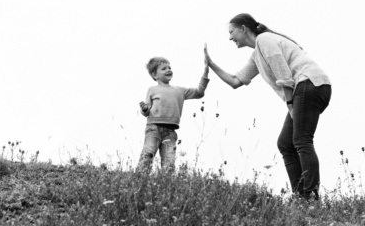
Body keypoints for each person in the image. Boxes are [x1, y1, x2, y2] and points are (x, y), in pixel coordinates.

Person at [204, 13, 331, 200]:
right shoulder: (257, 54)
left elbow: (284, 75)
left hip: (310, 84)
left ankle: (311, 195)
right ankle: (301, 197)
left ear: (244, 29)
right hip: (307, 89)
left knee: (302, 140)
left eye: (232, 32)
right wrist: (211, 64)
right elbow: (235, 80)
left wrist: (290, 105)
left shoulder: (265, 40)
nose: (230, 37)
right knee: (286, 143)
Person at [137, 55, 209, 173]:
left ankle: (165, 184)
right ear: (155, 75)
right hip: (153, 128)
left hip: (170, 132)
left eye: (169, 67)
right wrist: (144, 109)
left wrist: (205, 74)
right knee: (148, 154)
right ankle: (139, 178)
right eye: (164, 68)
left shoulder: (180, 91)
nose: (168, 70)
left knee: (169, 162)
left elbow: (199, 92)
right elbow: (146, 112)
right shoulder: (152, 90)